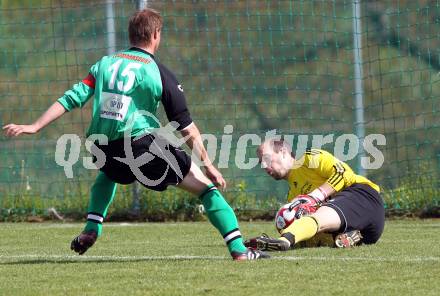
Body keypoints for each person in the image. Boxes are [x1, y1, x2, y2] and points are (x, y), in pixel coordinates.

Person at [2, 8, 268, 261]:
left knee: (110, 173)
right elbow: (185, 126)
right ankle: (239, 250)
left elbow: (73, 97)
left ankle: (92, 228)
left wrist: (35, 125)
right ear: (155, 35)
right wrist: (208, 165)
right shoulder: (158, 72)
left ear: (131, 36)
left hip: (102, 149)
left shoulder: (105, 64)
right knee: (206, 190)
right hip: (141, 146)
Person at [245, 139, 384, 251]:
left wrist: (315, 196)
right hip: (368, 232)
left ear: (283, 151)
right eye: (260, 162)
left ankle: (284, 241)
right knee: (320, 232)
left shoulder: (309, 159)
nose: (263, 165)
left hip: (364, 197)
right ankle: (352, 237)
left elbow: (343, 173)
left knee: (316, 217)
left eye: (267, 159)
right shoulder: (292, 196)